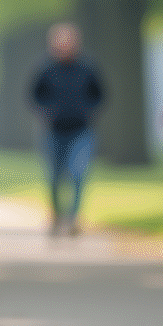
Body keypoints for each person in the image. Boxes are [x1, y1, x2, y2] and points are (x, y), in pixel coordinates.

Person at [28, 22, 104, 237]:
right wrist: (45, 112)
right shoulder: (44, 68)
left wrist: (89, 112)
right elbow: (34, 96)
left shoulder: (88, 67)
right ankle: (56, 215)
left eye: (69, 40)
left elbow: (99, 95)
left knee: (78, 173)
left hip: (81, 131)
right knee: (53, 176)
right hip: (52, 131)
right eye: (60, 41)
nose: (65, 45)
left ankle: (73, 218)